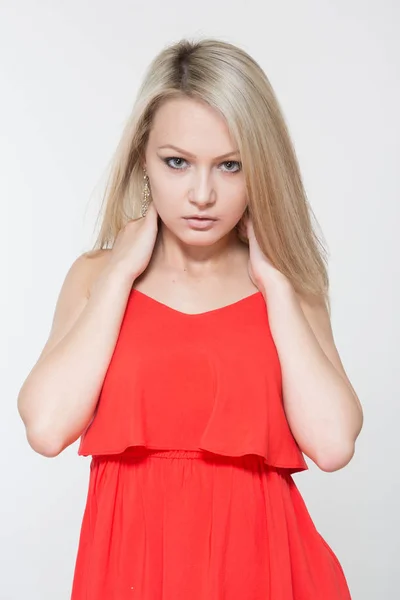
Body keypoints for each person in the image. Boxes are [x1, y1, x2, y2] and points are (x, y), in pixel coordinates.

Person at [17, 37, 363, 599]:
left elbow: (332, 444)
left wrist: (275, 282)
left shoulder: (289, 287)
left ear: (261, 171)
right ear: (142, 161)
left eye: (230, 166)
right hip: (130, 576)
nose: (202, 194)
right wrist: (118, 274)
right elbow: (47, 427)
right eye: (177, 162)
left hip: (266, 576)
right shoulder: (97, 278)